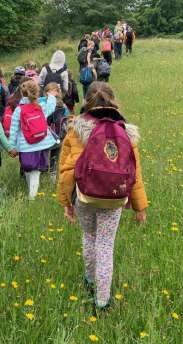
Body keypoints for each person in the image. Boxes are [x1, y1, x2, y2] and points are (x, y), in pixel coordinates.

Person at [58, 81, 148, 310]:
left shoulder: (75, 129)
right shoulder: (125, 130)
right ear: (113, 101)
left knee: (89, 237)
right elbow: (135, 172)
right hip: (115, 197)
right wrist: (140, 207)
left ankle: (89, 280)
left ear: (87, 102)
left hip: (84, 196)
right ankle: (102, 301)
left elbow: (66, 169)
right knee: (106, 246)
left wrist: (66, 202)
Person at [9, 80, 58, 200]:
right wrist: (51, 95)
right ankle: (32, 197)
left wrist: (11, 147)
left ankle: (32, 196)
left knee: (28, 169)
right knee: (36, 171)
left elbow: (14, 129)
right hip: (42, 144)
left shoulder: (19, 110)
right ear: (37, 92)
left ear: (22, 93)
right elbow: (51, 107)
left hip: (26, 147)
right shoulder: (40, 107)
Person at [44, 82, 69, 184]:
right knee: (54, 159)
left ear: (46, 93)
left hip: (46, 138)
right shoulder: (64, 106)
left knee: (43, 157)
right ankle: (52, 181)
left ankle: (41, 176)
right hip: (59, 137)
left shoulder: (44, 104)